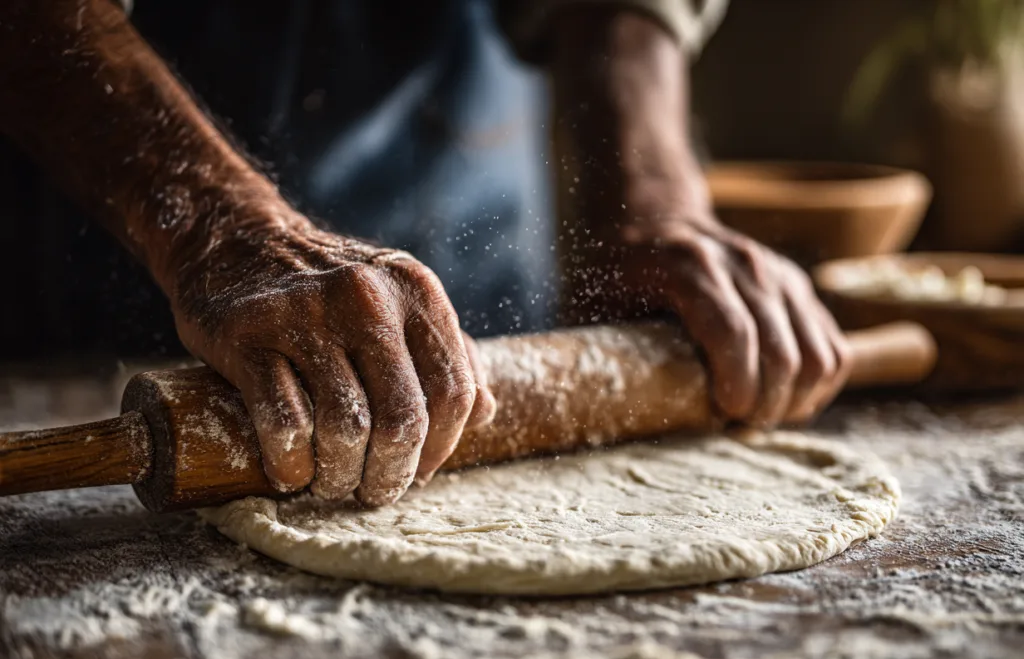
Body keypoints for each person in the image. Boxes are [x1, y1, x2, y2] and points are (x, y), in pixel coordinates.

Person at [0, 0, 850, 507]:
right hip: (85, 198)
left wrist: (649, 190)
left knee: (421, 397)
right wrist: (209, 222)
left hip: (452, 141)